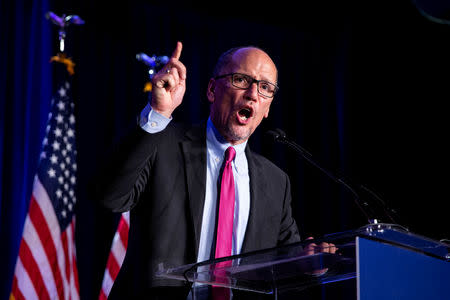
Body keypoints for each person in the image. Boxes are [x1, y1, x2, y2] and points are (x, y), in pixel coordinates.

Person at [96, 41, 335, 299]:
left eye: (265, 88)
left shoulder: (276, 182)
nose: (253, 94)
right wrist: (157, 113)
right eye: (241, 80)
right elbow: (109, 197)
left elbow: (285, 263)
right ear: (212, 90)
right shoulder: (162, 143)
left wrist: (308, 263)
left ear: (267, 109)